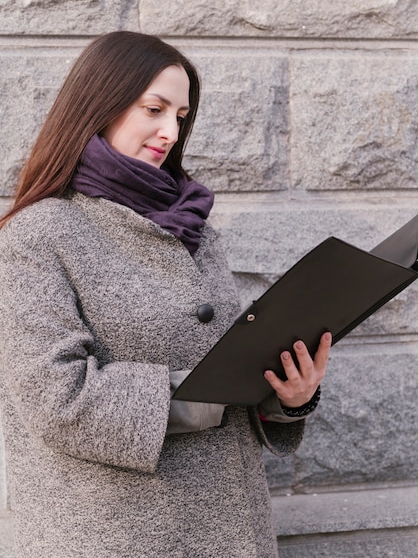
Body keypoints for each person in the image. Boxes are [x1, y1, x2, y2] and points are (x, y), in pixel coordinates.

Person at [0, 31, 331, 558]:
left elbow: (226, 358)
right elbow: (54, 397)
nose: (169, 131)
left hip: (231, 527)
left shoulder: (193, 225)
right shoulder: (39, 235)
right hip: (113, 535)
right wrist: (200, 398)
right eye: (154, 109)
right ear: (99, 106)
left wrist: (288, 396)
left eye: (180, 116)